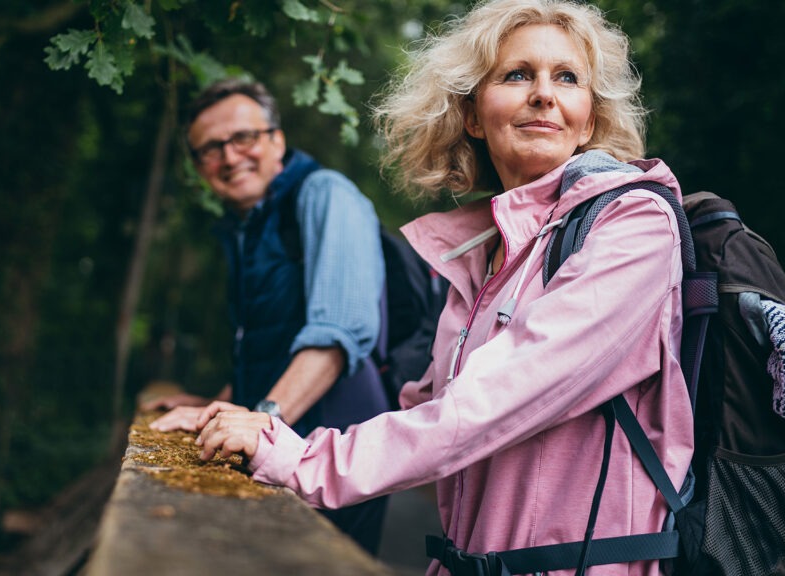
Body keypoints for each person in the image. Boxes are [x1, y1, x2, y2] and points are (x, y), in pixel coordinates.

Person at [191, 1, 694, 575]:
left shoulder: (633, 224)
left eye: (567, 77)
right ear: (473, 115)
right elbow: (428, 410)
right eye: (516, 74)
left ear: (588, 118)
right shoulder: (480, 254)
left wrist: (298, 456)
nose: (543, 93)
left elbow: (492, 402)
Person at [141, 78, 391, 554]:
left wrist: (260, 422)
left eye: (244, 137)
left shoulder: (325, 195)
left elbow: (335, 337)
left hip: (336, 453)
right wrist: (215, 404)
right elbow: (268, 342)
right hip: (277, 441)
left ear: (277, 138)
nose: (230, 157)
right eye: (211, 149)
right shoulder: (244, 229)